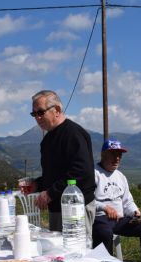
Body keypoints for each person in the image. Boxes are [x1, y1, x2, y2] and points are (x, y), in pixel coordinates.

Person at [28, 90, 95, 238]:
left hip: (75, 208)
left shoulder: (73, 134)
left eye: (40, 112)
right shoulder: (47, 140)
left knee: (77, 254)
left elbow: (82, 173)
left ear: (56, 110)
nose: (37, 118)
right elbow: (54, 174)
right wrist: (38, 184)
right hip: (57, 208)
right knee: (58, 254)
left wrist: (51, 193)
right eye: (34, 114)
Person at [92, 139, 141, 262]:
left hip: (119, 220)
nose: (117, 158)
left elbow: (127, 201)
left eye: (119, 155)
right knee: (104, 232)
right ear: (103, 154)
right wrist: (104, 207)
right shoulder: (93, 173)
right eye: (113, 154)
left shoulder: (120, 177)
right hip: (100, 219)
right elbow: (86, 201)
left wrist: (134, 211)